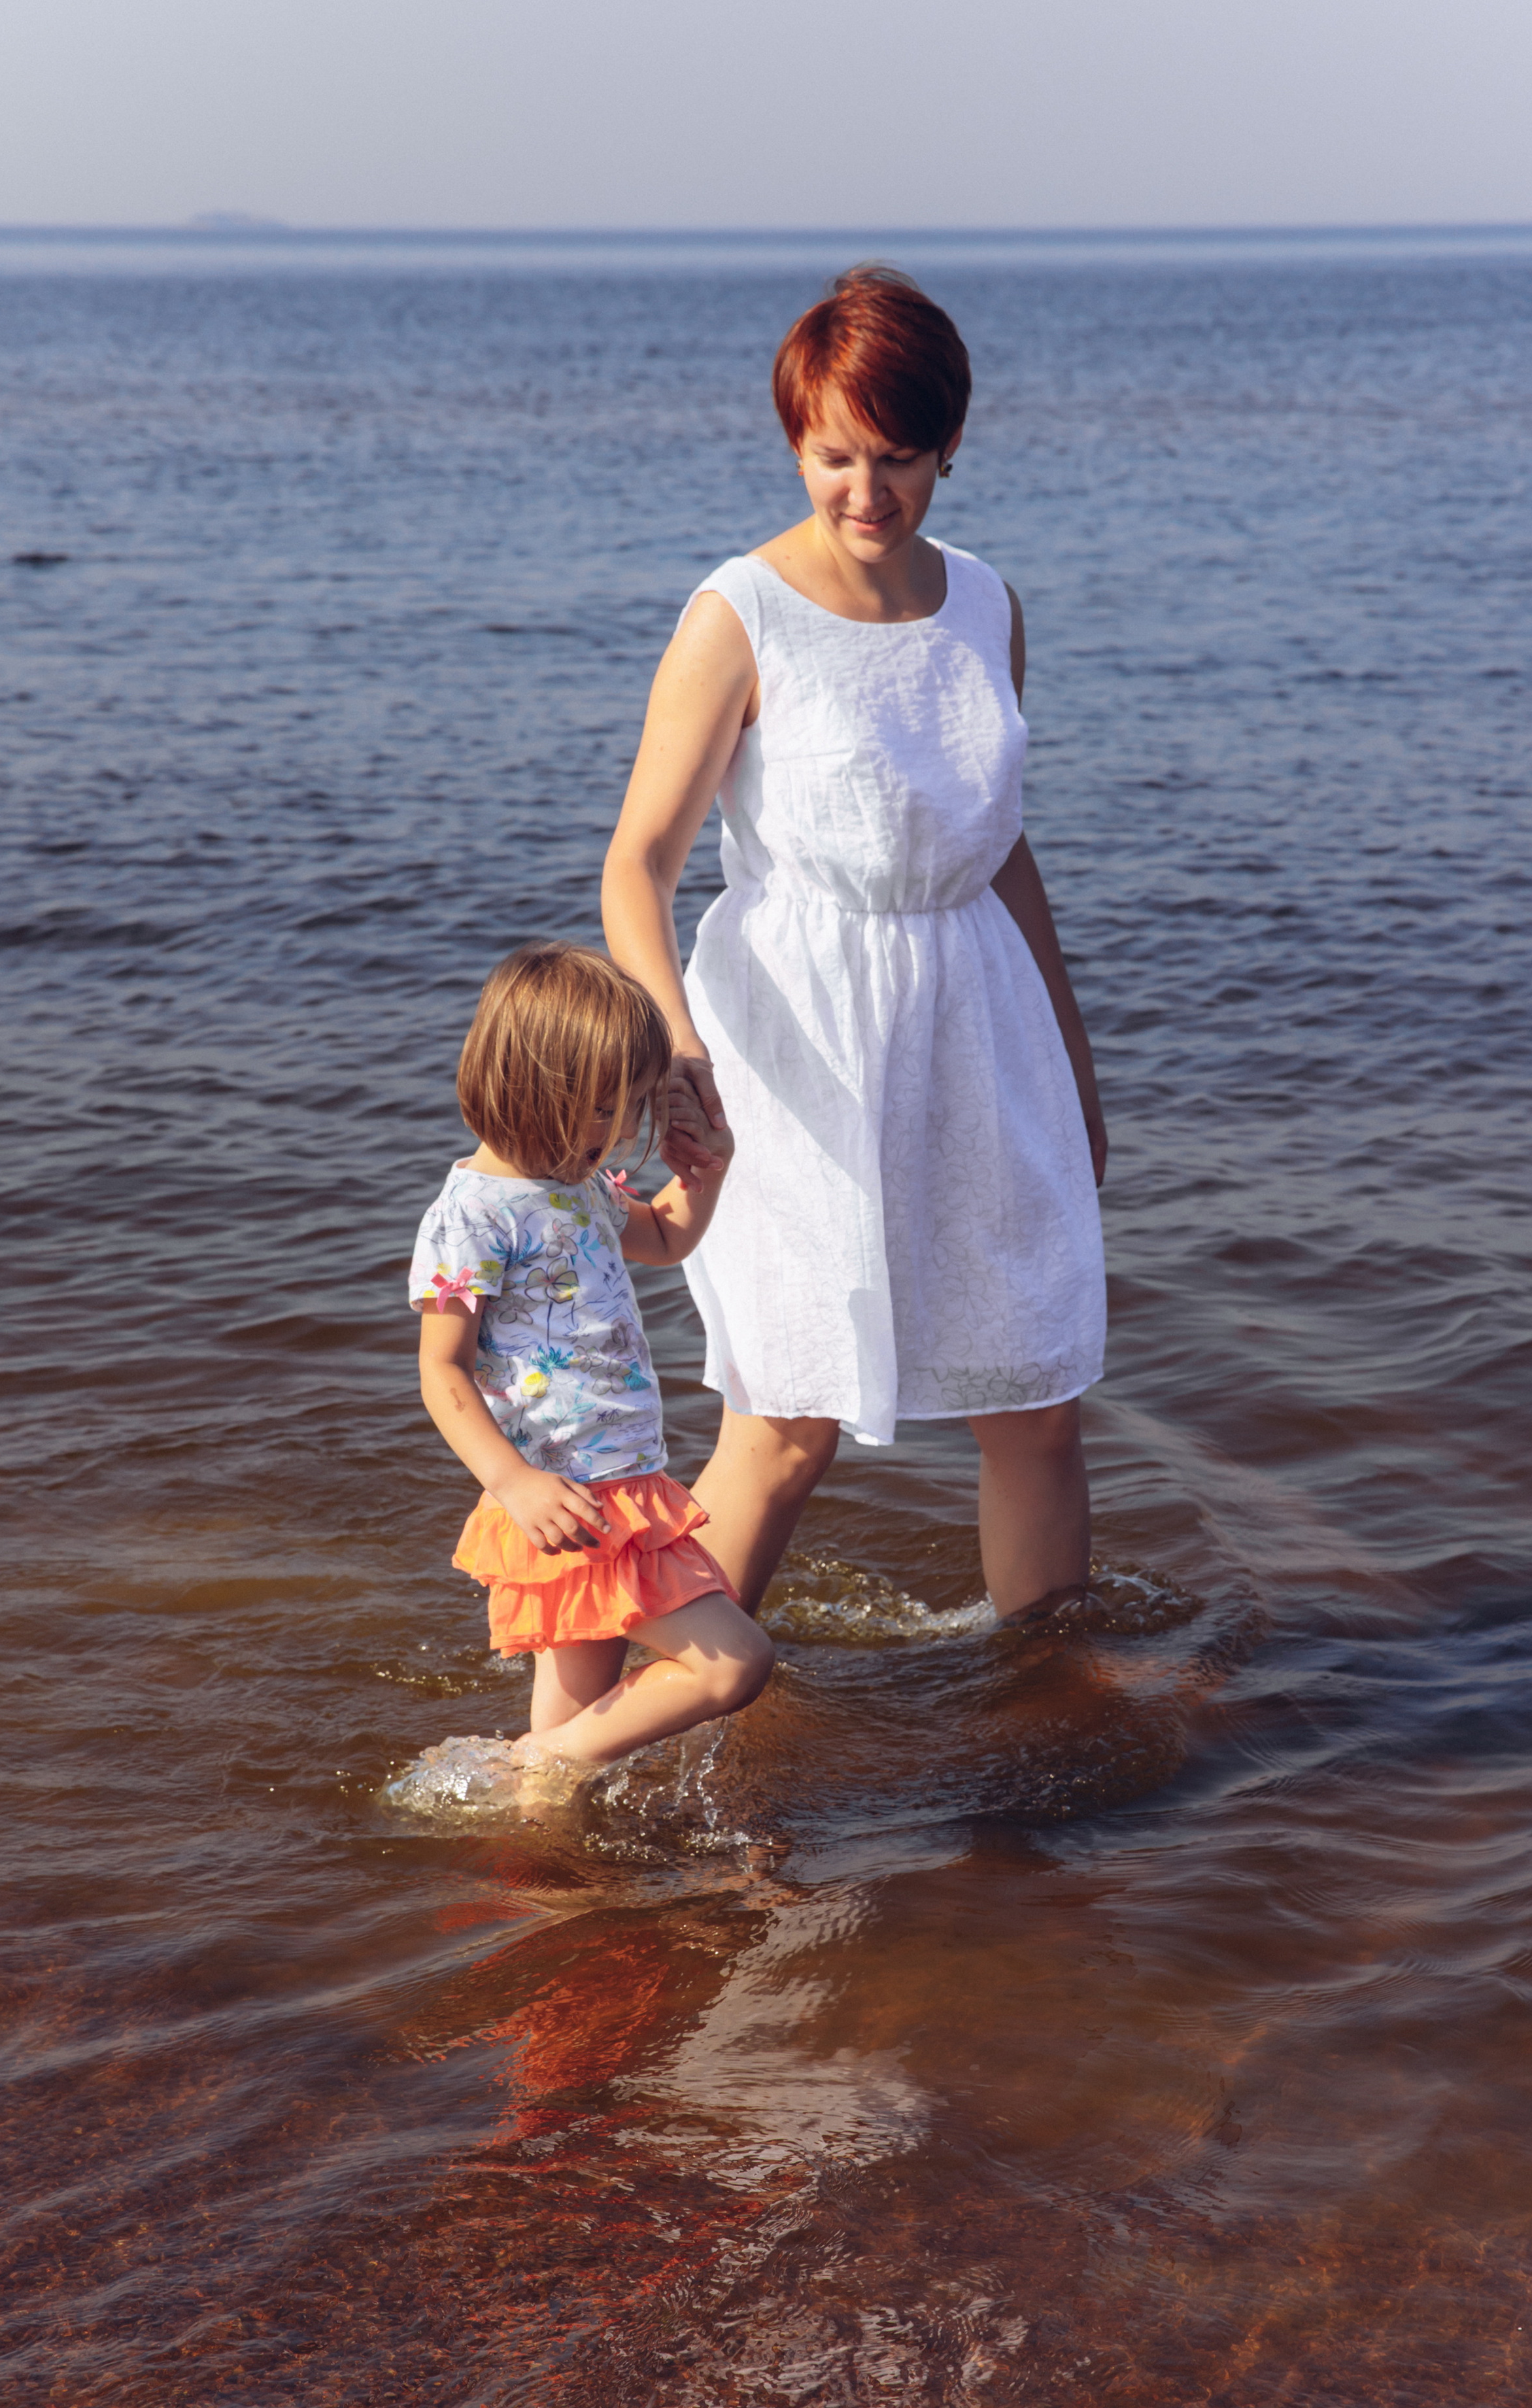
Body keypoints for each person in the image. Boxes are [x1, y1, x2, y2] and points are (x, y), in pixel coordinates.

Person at [602, 266, 1108, 1626]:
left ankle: (1042, 1716)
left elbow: (996, 839)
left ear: (951, 443)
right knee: (789, 1417)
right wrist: (678, 1049)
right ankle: (655, 1703)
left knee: (1036, 1399)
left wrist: (1069, 1062)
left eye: (896, 458)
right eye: (834, 457)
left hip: (977, 1018)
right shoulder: (737, 616)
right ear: (794, 444)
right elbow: (634, 867)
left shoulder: (987, 607)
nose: (864, 493)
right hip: (793, 1038)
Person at [409, 940, 774, 1778]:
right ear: (526, 1084)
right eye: (599, 1110)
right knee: (735, 1663)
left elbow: (667, 1236)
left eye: (626, 1109)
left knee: (582, 1742)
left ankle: (543, 1871)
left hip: (620, 1487)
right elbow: (443, 1370)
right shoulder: (474, 1214)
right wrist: (514, 1483)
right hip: (566, 1494)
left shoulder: (580, 1182)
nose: (614, 1134)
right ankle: (530, 1767)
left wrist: (704, 1172)